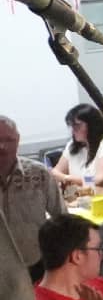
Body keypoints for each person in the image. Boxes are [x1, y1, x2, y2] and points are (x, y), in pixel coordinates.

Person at [0, 114, 66, 281]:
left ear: (18, 140)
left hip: (36, 265)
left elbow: (62, 219)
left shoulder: (39, 174)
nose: (2, 147)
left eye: (8, 140)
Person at [50, 104, 103, 198]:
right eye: (71, 126)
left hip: (100, 203)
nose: (73, 131)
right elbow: (55, 173)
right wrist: (72, 185)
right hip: (79, 202)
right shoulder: (72, 146)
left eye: (77, 126)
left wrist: (71, 179)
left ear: (92, 125)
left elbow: (102, 179)